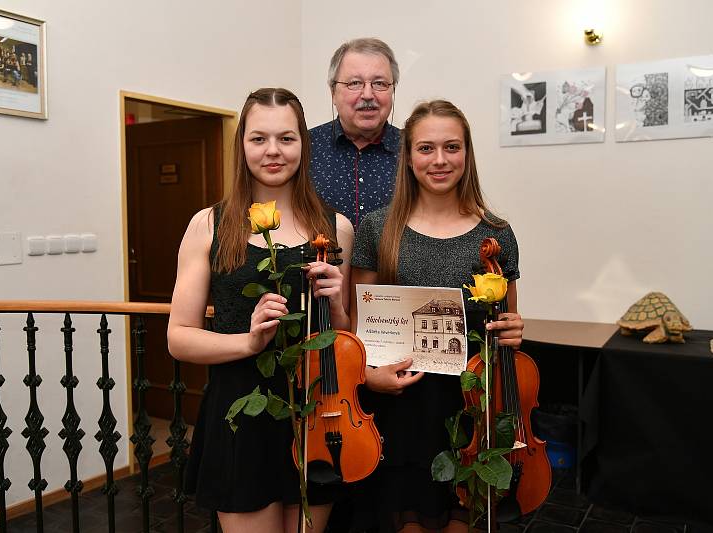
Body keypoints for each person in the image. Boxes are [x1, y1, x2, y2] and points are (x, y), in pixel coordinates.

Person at [167, 87, 354, 533]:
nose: (273, 151)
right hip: (241, 417)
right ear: (242, 145)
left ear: (303, 145)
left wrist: (337, 308)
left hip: (317, 412)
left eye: (286, 138)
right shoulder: (209, 225)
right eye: (259, 138)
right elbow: (178, 337)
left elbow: (345, 337)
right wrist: (249, 341)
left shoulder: (336, 227)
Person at [350, 100, 525, 532]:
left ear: (467, 153)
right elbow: (358, 328)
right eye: (426, 148)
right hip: (401, 403)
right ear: (408, 157)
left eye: (452, 147)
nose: (440, 160)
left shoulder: (497, 233)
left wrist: (513, 331)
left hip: (470, 406)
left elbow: (509, 321)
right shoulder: (378, 228)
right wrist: (368, 376)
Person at [310, 38, 401, 229]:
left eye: (379, 83)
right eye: (355, 83)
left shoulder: (415, 151)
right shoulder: (305, 148)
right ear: (333, 92)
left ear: (392, 90)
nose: (368, 95)